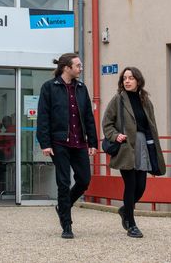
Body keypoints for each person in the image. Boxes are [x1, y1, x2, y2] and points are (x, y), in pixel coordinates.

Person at [37, 53, 97, 239]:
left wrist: (93, 142)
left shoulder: (81, 88)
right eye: (78, 65)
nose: (80, 68)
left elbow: (88, 117)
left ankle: (63, 205)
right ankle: (67, 225)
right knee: (63, 183)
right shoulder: (49, 87)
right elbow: (43, 117)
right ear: (66, 68)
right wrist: (45, 143)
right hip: (59, 143)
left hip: (79, 143)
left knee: (84, 180)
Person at [101, 66, 166, 238]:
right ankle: (131, 224)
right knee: (130, 185)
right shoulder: (118, 100)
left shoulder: (145, 100)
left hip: (143, 145)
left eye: (130, 78)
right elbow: (107, 123)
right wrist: (116, 136)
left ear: (138, 80)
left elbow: (151, 126)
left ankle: (125, 210)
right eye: (124, 78)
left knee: (141, 186)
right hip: (126, 147)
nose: (127, 81)